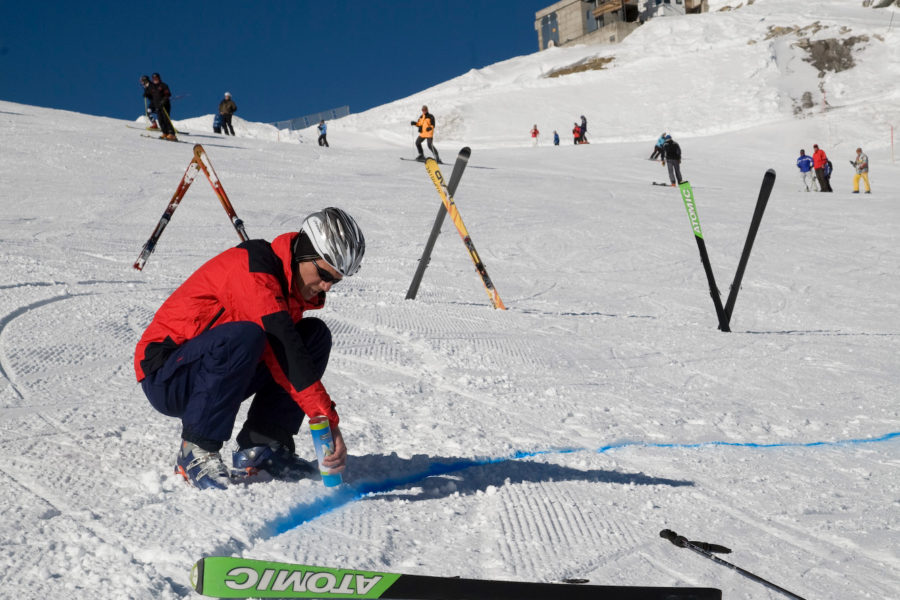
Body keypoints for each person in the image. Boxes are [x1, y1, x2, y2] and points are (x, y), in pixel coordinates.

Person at [134, 207, 366, 490]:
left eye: (335, 281)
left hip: (215, 372)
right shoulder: (253, 270)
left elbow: (286, 355)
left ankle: (263, 445)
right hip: (167, 375)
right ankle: (195, 449)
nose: (327, 287)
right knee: (248, 336)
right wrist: (328, 420)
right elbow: (284, 354)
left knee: (313, 336)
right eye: (323, 274)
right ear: (304, 253)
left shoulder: (288, 285)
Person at [144, 72, 176, 141]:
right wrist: (146, 94)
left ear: (159, 78)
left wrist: (163, 101)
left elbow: (167, 94)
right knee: (160, 120)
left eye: (156, 78)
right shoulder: (153, 87)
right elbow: (150, 94)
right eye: (154, 78)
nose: (155, 79)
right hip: (157, 106)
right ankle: (165, 133)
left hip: (165, 105)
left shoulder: (163, 85)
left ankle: (172, 134)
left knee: (166, 119)